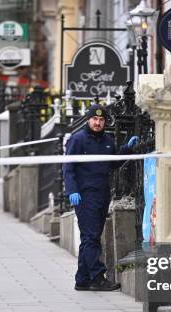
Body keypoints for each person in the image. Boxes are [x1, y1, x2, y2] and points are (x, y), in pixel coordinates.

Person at [63, 104, 139, 291]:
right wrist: (72, 190)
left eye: (101, 120)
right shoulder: (77, 139)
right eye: (94, 119)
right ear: (88, 120)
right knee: (91, 237)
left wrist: (126, 149)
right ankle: (97, 277)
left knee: (91, 237)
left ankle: (82, 279)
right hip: (84, 196)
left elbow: (113, 163)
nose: (97, 123)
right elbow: (68, 167)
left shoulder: (107, 140)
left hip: (102, 194)